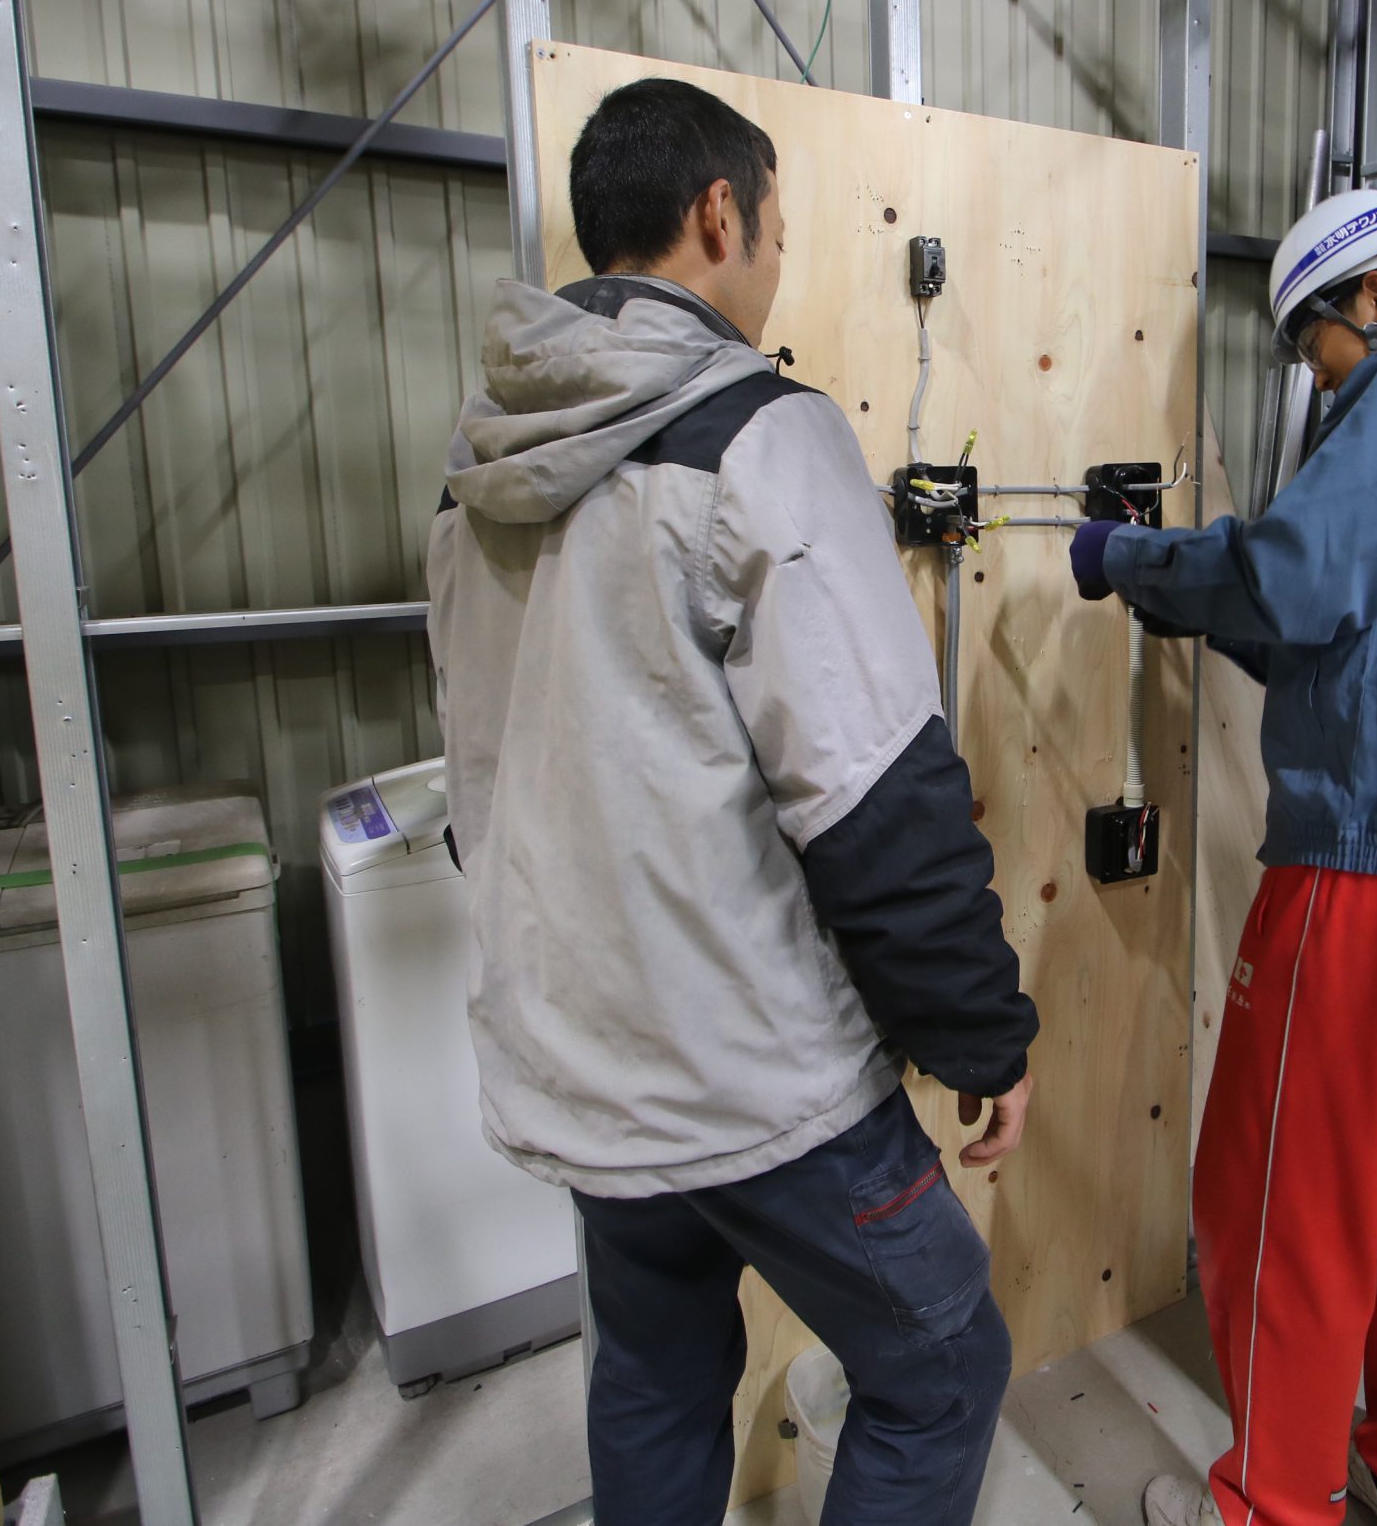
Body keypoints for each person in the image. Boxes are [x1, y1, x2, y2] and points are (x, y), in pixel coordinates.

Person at [428, 76, 1037, 1526]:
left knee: (653, 1376)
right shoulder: (761, 437)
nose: (775, 266)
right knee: (944, 1364)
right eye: (776, 231)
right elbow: (876, 797)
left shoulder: (477, 475)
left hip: (584, 1060)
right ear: (720, 215)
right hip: (753, 1071)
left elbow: (480, 784)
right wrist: (979, 1032)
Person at [1074, 192, 1377, 1526]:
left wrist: (1129, 556)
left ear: (1373, 291)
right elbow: (1355, 634)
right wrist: (1175, 594)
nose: (1323, 380)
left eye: (1315, 347)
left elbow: (1297, 576)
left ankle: (1272, 1509)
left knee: (1276, 1197)